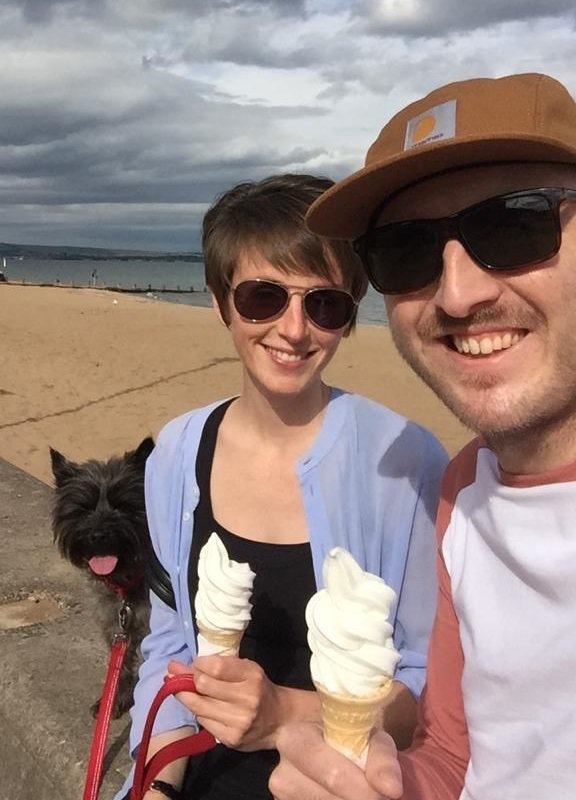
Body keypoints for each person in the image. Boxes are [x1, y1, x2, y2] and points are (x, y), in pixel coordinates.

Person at [268, 73, 576, 800]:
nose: (458, 292)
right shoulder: (465, 485)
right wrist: (387, 785)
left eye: (513, 226)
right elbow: (457, 754)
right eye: (406, 252)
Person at [115, 174, 448, 800]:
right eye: (263, 298)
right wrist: (154, 787)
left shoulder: (405, 460)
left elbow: (426, 682)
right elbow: (168, 645)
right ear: (219, 302)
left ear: (349, 315)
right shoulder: (177, 454)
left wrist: (283, 715)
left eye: (324, 304)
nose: (294, 331)